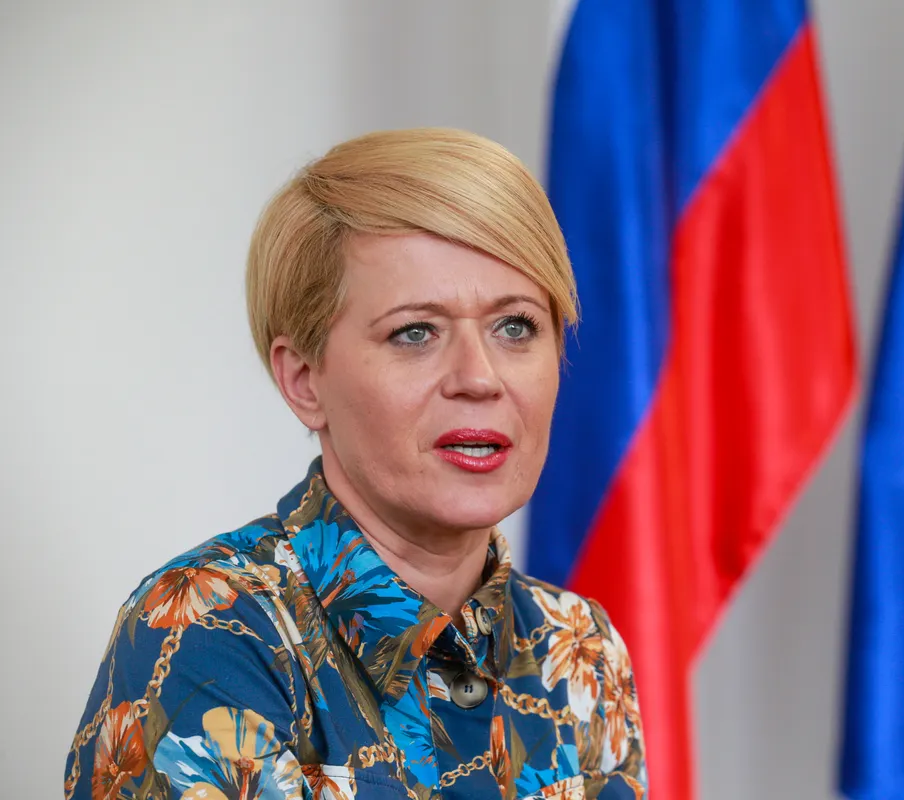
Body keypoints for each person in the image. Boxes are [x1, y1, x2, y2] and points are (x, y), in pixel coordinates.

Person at [64, 129, 648, 800]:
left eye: (515, 326)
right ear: (304, 380)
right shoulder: (210, 630)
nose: (480, 377)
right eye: (415, 332)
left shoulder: (582, 648)